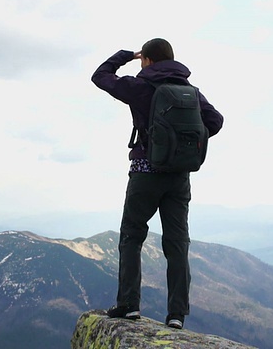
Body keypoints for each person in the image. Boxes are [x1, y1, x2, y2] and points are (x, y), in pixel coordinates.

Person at [91, 38, 223, 329]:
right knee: (177, 244)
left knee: (132, 235)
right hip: (179, 177)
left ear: (147, 60)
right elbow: (215, 120)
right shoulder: (191, 93)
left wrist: (126, 55)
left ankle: (129, 306)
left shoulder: (140, 87)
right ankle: (176, 315)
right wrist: (183, 143)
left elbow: (100, 76)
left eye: (142, 60)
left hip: (145, 172)